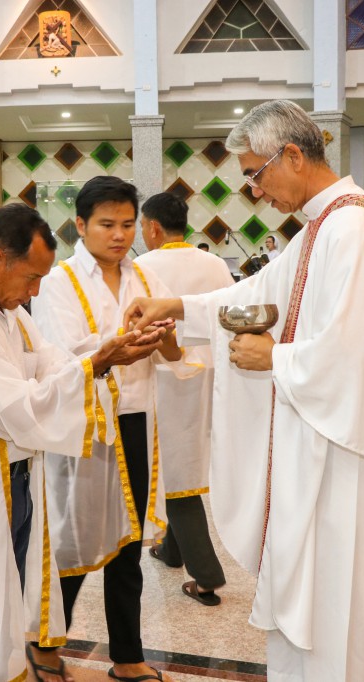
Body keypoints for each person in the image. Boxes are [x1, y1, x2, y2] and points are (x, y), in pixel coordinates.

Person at [123, 100, 364, 681]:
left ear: (292, 155)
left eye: (255, 173)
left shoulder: (352, 229)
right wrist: (175, 306)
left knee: (339, 593)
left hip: (344, 454)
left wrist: (275, 357)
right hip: (313, 442)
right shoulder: (323, 226)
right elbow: (253, 294)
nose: (254, 189)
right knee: (315, 587)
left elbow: (356, 351)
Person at [0, 203, 167, 682]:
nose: (35, 290)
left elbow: (50, 361)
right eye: (31, 277)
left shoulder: (9, 314)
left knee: (8, 598)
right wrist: (97, 363)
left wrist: (102, 358)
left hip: (16, 481)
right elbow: (17, 408)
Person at [29, 176, 184, 681]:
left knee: (128, 543)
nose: (119, 235)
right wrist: (123, 340)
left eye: (127, 224)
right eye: (106, 224)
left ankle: (127, 655)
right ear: (80, 225)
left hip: (135, 422)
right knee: (72, 538)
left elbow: (174, 351)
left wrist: (163, 336)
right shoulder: (59, 282)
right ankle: (44, 643)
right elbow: (63, 354)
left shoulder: (146, 279)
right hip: (84, 427)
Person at [135, 192, 232, 606]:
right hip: (210, 374)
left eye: (141, 226)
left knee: (175, 473)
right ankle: (171, 549)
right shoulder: (214, 264)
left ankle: (207, 575)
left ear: (154, 227)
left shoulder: (142, 267)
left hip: (166, 375)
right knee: (185, 464)